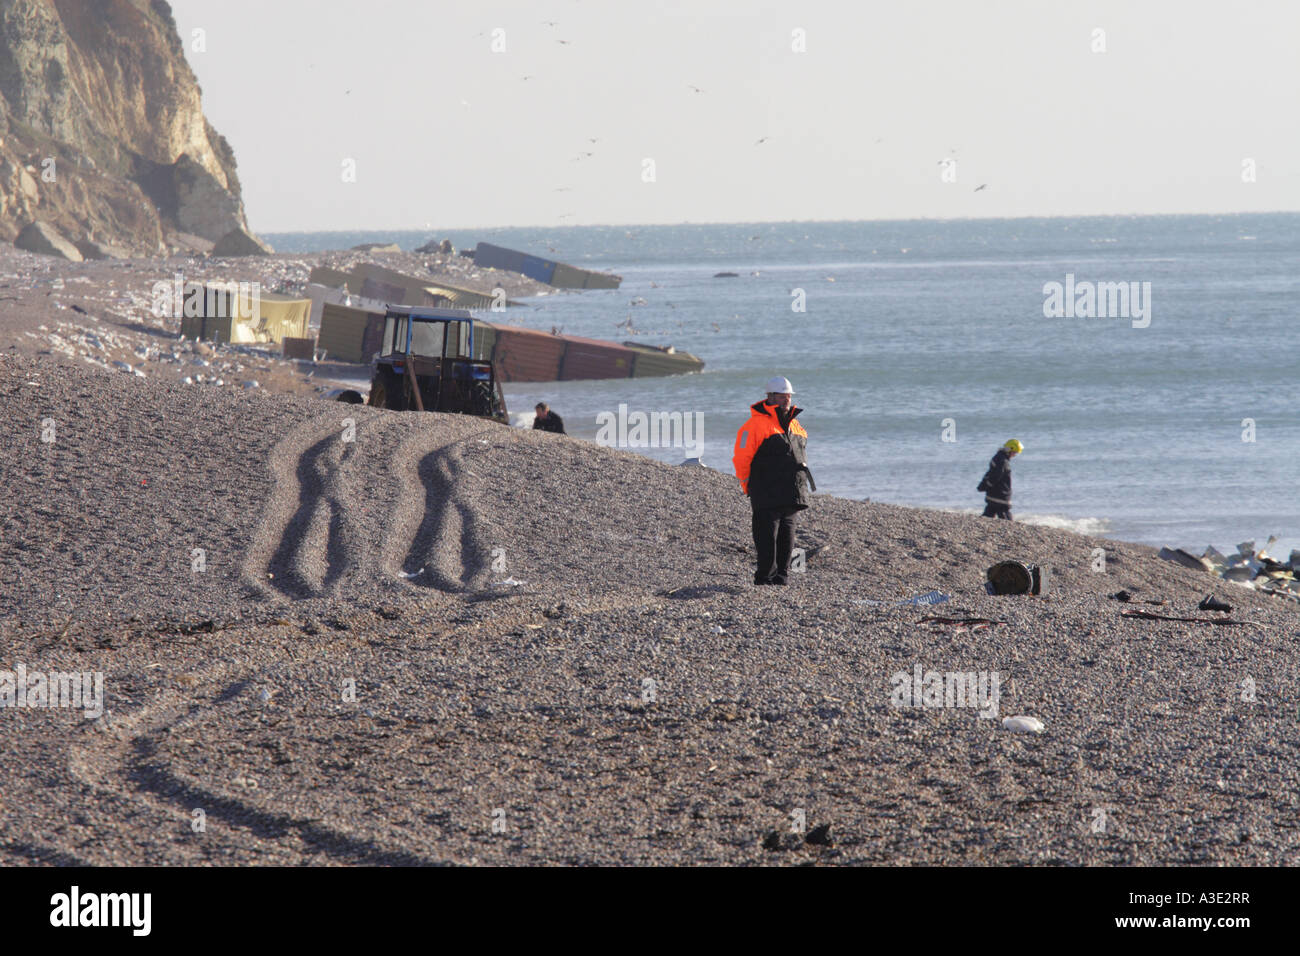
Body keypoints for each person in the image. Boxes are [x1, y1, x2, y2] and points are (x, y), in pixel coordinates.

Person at [732, 376, 815, 585]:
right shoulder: (753, 426)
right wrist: (746, 485)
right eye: (781, 396)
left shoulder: (796, 426)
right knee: (766, 537)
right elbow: (741, 458)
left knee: (788, 537)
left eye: (788, 396)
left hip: (792, 492)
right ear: (770, 397)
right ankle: (764, 578)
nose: (786, 400)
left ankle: (782, 577)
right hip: (766, 491)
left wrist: (801, 486)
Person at [978, 439, 1022, 520]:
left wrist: (984, 485)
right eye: (1015, 452)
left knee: (988, 514)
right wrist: (987, 485)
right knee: (1006, 518)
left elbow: (991, 474)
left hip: (993, 494)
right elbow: (996, 476)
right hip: (1000, 495)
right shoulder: (1003, 461)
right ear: (1010, 450)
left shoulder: (998, 457)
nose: (1015, 455)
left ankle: (978, 527)